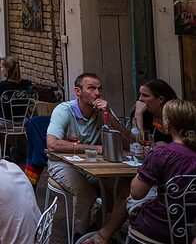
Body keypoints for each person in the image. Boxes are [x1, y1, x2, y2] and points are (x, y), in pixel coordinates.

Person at [81, 99, 196, 244]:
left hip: (157, 227)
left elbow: (136, 193)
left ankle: (104, 235)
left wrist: (146, 167)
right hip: (189, 230)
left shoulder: (163, 153)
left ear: (167, 123)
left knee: (126, 192)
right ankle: (104, 235)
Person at [46, 72, 131, 237]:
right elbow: (52, 143)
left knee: (122, 189)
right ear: (78, 91)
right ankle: (80, 234)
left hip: (92, 165)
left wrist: (109, 117)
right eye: (91, 88)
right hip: (62, 163)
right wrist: (96, 149)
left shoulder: (102, 111)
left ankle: (101, 229)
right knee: (86, 192)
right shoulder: (65, 110)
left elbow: (127, 142)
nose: (97, 93)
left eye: (99, 89)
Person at [0, 55, 33, 127]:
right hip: (23, 121)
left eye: (2, 67)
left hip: (6, 122)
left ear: (7, 69)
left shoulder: (4, 85)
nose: (1, 69)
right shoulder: (25, 85)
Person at [133, 78, 178, 145]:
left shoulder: (175, 115)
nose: (140, 99)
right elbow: (138, 145)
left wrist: (168, 147)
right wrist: (138, 114)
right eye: (140, 94)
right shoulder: (142, 113)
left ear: (160, 99)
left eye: (145, 95)